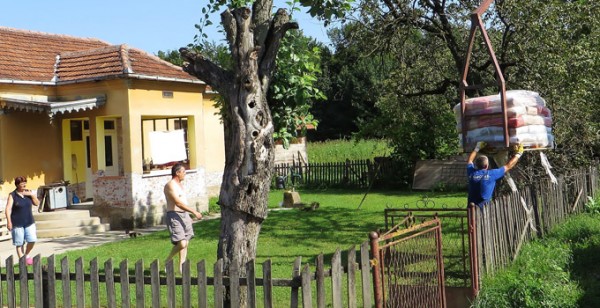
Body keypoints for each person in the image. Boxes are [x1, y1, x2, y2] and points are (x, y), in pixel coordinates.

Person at [164, 163, 202, 273]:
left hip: (184, 215)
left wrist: (188, 215)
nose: (185, 174)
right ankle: (168, 260)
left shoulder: (180, 185)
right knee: (182, 243)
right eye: (183, 172)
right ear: (177, 173)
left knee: (186, 242)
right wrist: (194, 211)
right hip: (174, 215)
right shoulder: (170, 185)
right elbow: (178, 203)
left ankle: (182, 268)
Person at [467, 142, 524, 209]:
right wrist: (518, 154)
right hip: (484, 209)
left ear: (476, 165)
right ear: (486, 166)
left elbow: (470, 160)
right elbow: (508, 166)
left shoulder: (471, 173)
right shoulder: (491, 174)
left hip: (471, 208)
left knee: (471, 219)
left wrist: (477, 147)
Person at [5, 176, 40, 265]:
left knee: (32, 240)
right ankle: (22, 261)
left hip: (29, 222)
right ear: (17, 185)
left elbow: (37, 203)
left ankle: (26, 255)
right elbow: (8, 209)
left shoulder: (28, 193)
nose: (24, 184)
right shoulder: (12, 195)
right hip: (17, 223)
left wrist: (32, 195)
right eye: (22, 183)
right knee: (19, 243)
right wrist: (9, 222)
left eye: (25, 182)